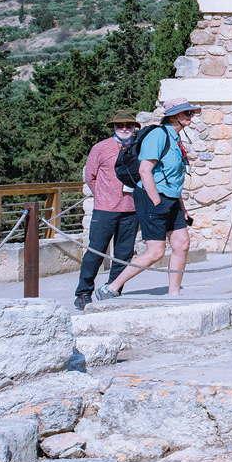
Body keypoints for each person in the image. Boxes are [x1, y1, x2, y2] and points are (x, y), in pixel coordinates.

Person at [96, 98, 202, 300]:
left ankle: (174, 294)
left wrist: (181, 206)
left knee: (181, 244)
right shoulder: (158, 135)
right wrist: (156, 202)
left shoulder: (176, 138)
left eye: (191, 113)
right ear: (174, 116)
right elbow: (145, 170)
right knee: (155, 252)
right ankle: (110, 288)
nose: (191, 116)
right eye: (187, 113)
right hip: (151, 198)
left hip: (170, 199)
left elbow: (173, 177)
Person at [75, 110, 140, 310]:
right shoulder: (101, 148)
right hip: (105, 209)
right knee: (96, 251)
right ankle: (83, 292)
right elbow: (90, 176)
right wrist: (103, 195)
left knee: (123, 254)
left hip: (132, 208)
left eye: (129, 125)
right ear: (114, 127)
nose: (124, 129)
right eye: (120, 125)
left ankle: (113, 289)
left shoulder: (139, 147)